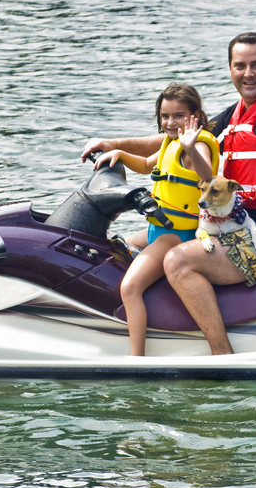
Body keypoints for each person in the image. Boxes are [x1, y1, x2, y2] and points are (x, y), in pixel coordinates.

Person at [82, 32, 256, 355]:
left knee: (177, 261)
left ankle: (222, 355)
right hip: (239, 228)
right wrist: (114, 145)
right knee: (131, 241)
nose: (249, 73)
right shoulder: (236, 115)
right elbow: (172, 139)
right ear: (230, 70)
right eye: (240, 65)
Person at [94, 83, 219, 356]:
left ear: (194, 116)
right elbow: (145, 165)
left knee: (129, 287)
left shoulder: (195, 145)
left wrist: (191, 147)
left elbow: (207, 175)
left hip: (177, 235)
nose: (170, 122)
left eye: (178, 116)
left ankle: (136, 356)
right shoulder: (169, 142)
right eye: (165, 116)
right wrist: (118, 154)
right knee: (121, 244)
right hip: (159, 229)